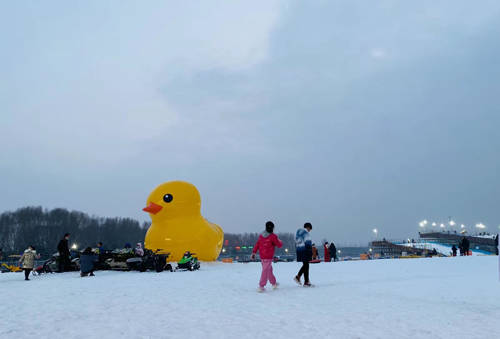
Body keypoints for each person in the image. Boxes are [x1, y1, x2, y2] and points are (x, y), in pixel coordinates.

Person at [250, 221, 283, 292]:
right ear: (273, 228)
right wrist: (280, 241)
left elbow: (257, 244)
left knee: (269, 270)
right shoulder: (273, 236)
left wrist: (253, 253)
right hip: (268, 257)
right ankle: (261, 286)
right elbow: (279, 245)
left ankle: (273, 283)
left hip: (262, 256)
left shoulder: (261, 236)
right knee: (265, 271)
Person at [294, 222, 313, 287]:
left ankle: (306, 281)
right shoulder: (305, 233)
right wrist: (310, 251)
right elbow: (308, 243)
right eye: (310, 229)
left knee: (305, 265)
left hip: (299, 250)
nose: (309, 231)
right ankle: (299, 278)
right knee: (306, 265)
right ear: (308, 227)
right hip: (305, 250)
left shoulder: (298, 233)